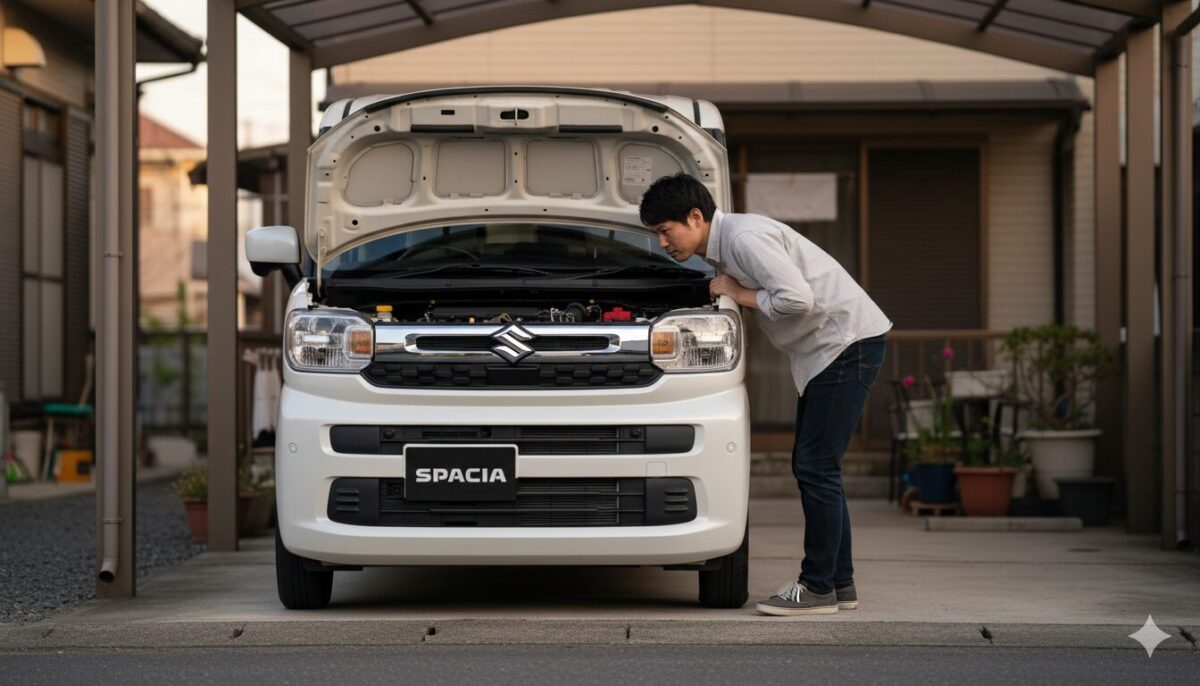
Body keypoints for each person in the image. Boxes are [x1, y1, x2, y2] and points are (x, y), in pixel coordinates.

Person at [639, 172, 891, 616]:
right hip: (836, 349)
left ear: (695, 217)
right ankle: (839, 583)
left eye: (665, 230)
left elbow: (798, 299)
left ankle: (816, 588)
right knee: (817, 467)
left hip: (846, 344)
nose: (662, 243)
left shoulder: (742, 239)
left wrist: (740, 293)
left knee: (816, 468)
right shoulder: (728, 245)